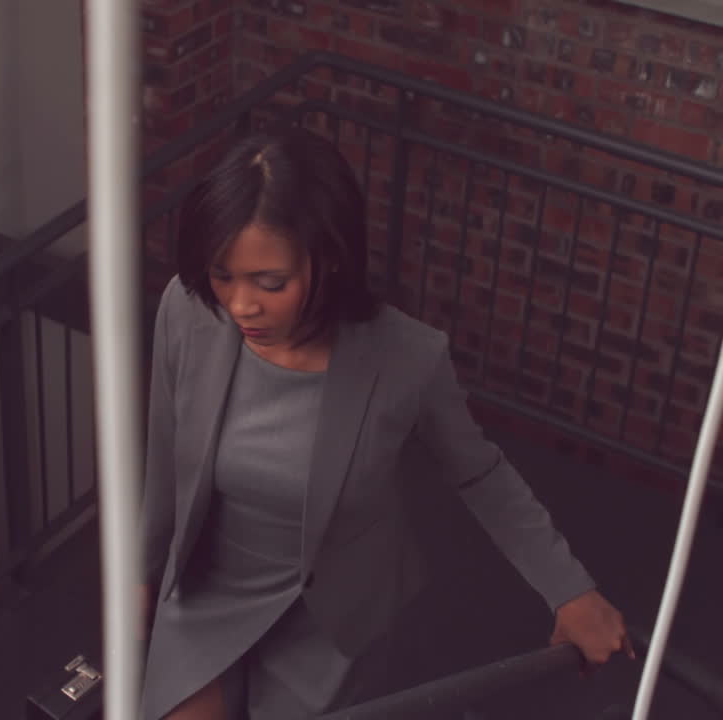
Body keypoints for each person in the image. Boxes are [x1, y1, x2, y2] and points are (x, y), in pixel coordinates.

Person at [137, 127, 633, 720]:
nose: (241, 304)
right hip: (208, 594)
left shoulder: (408, 357)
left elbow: (482, 475)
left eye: (270, 283)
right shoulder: (188, 312)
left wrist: (569, 587)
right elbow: (165, 461)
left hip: (330, 624)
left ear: (332, 258)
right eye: (223, 275)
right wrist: (140, 579)